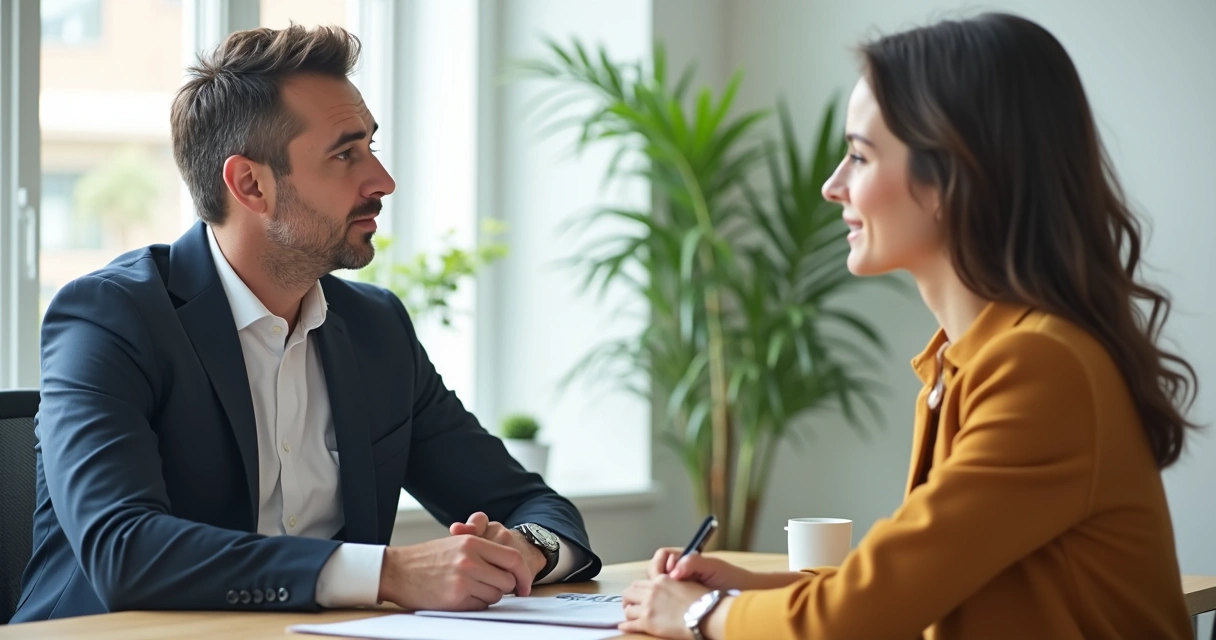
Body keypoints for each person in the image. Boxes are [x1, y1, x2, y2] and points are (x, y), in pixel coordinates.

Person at [620, 12, 1197, 640]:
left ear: (952, 176)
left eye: (859, 157)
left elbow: (859, 616)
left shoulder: (1039, 367)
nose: (832, 186)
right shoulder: (964, 360)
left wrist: (698, 614)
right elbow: (919, 586)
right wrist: (745, 588)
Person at [12, 25, 600, 623]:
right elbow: (124, 551)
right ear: (250, 184)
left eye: (372, 146)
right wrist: (388, 573)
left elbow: (530, 503)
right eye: (345, 155)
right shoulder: (110, 317)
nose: (382, 181)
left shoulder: (377, 329)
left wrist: (526, 549)